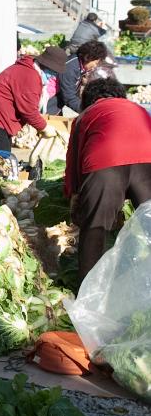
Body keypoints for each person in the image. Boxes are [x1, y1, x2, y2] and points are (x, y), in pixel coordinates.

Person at [65, 76, 151, 282]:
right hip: (148, 162)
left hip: (106, 164)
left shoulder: (87, 114)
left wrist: (74, 194)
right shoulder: (138, 109)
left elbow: (74, 159)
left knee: (95, 228)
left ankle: (87, 294)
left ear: (88, 100)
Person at [0, 51, 60, 152]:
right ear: (46, 66)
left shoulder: (31, 69)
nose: (53, 76)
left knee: (3, 148)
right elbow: (29, 111)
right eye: (53, 72)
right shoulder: (30, 76)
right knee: (1, 153)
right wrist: (44, 128)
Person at [60, 39, 115, 114]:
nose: (95, 66)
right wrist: (89, 112)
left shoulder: (80, 66)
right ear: (87, 57)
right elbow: (69, 98)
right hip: (50, 108)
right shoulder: (70, 68)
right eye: (95, 63)